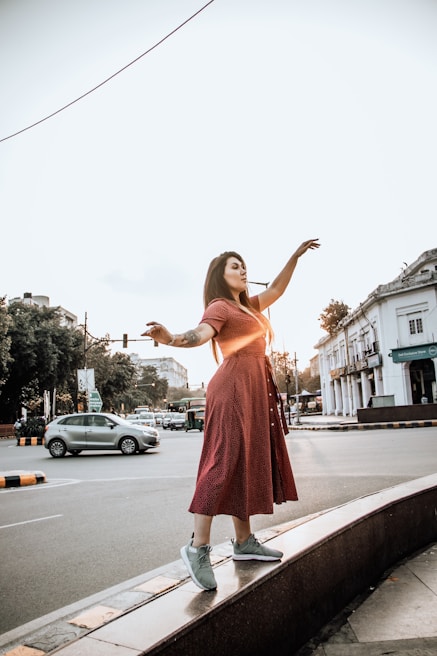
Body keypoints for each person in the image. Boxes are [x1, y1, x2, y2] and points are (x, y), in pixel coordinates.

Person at [143, 238, 320, 591]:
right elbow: (199, 334)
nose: (242, 270)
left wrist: (294, 257)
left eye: (244, 266)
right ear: (221, 277)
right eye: (234, 266)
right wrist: (170, 338)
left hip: (254, 390)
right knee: (222, 464)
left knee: (246, 464)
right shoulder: (220, 307)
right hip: (233, 388)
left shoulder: (250, 307)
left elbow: (276, 289)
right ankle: (197, 548)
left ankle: (243, 542)